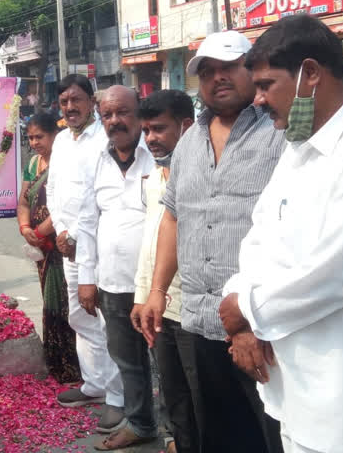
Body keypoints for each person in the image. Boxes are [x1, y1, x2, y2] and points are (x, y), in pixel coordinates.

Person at [219, 14, 343, 452]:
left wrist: (248, 310)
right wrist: (242, 313)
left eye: (265, 85)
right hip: (291, 385)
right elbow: (259, 236)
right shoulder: (298, 148)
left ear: (310, 74)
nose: (256, 100)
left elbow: (342, 268)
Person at [138, 30, 286, 453]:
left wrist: (251, 319)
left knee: (273, 435)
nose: (218, 78)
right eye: (208, 71)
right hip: (201, 323)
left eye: (228, 67)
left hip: (264, 326)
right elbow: (173, 217)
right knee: (220, 436)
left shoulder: (280, 132)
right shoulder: (189, 142)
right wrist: (157, 291)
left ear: (252, 69)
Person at [75, 85, 157, 450]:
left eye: (122, 112)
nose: (114, 121)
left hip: (158, 285)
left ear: (139, 113)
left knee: (166, 363)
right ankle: (140, 424)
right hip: (112, 283)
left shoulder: (157, 154)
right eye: (107, 115)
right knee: (128, 362)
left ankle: (178, 431)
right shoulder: (97, 160)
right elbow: (87, 223)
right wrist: (86, 279)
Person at [46, 74, 124, 433]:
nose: (70, 107)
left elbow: (98, 193)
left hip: (95, 241)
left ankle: (118, 397)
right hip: (68, 243)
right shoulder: (62, 139)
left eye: (76, 100)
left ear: (91, 101)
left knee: (108, 319)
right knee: (79, 316)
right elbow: (54, 189)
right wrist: (62, 231)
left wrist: (76, 234)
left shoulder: (102, 139)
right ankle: (94, 383)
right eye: (64, 102)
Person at [131, 89, 199, 453]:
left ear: (186, 126)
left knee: (203, 400)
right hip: (162, 305)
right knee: (175, 397)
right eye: (146, 130)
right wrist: (143, 296)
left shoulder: (203, 172)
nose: (150, 139)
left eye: (158, 129)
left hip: (195, 309)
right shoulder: (156, 176)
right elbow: (151, 243)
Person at [17, 112, 81, 384]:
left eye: (39, 137)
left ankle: (74, 365)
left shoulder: (65, 163)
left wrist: (41, 231)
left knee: (68, 303)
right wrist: (25, 229)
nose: (34, 142)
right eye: (30, 137)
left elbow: (66, 204)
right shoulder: (33, 164)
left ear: (55, 135)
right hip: (40, 246)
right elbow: (23, 200)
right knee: (49, 300)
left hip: (60, 244)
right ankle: (55, 361)